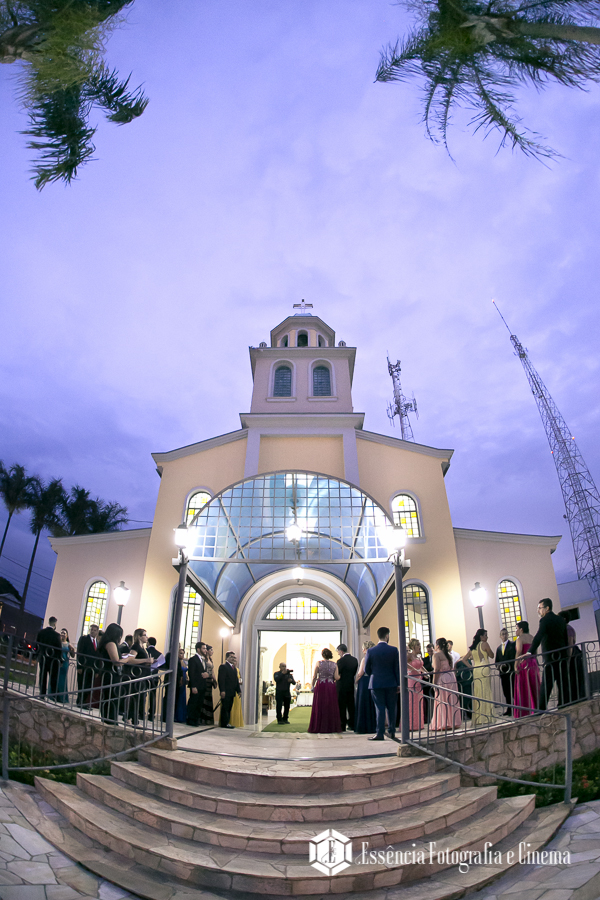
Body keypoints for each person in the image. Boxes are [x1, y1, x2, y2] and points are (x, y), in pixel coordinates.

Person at [527, 598, 569, 709]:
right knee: (563, 683)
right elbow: (565, 639)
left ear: (547, 608)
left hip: (550, 657)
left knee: (546, 685)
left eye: (540, 608)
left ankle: (541, 709)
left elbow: (538, 636)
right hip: (562, 656)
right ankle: (563, 705)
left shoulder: (544, 620)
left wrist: (530, 651)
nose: (538, 611)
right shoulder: (560, 620)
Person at [364, 626, 400, 741]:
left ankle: (379, 733)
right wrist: (398, 683)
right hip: (391, 683)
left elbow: (366, 669)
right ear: (387, 636)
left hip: (376, 683)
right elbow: (396, 668)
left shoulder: (371, 651)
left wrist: (374, 675)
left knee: (379, 708)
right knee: (391, 708)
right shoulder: (393, 650)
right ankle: (392, 731)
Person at [97, 623, 137, 723]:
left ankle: (110, 720)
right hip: (111, 674)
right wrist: (128, 659)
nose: (120, 637)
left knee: (112, 698)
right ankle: (110, 721)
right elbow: (116, 662)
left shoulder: (108, 643)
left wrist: (122, 655)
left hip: (109, 673)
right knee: (111, 698)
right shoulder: (111, 643)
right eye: (119, 634)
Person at [461, 629, 495, 726]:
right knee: (486, 690)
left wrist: (472, 667)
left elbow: (464, 659)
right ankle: (487, 715)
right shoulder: (485, 644)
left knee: (478, 692)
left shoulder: (473, 647)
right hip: (484, 668)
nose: (486, 637)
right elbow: (492, 655)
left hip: (476, 669)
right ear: (481, 636)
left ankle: (479, 717)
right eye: (485, 635)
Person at [308, 648, 342, 734]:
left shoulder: (319, 663)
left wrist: (312, 686)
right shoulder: (334, 664)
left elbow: (314, 676)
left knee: (320, 705)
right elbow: (337, 677)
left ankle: (318, 726)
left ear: (322, 655)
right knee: (330, 704)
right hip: (330, 685)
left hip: (321, 685)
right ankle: (331, 727)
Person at [431, 637, 462, 730]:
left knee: (442, 699)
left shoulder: (436, 655)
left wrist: (434, 683)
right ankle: (453, 721)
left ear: (437, 645)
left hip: (443, 678)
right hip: (451, 677)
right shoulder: (449, 655)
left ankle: (444, 722)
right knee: (451, 699)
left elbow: (436, 669)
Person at [124, 628, 151, 725]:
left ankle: (134, 718)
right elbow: (130, 660)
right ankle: (129, 717)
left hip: (142, 675)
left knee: (139, 698)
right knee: (135, 697)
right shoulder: (136, 646)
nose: (146, 637)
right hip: (136, 675)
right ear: (139, 636)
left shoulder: (143, 647)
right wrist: (146, 660)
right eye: (144, 635)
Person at [513, 621, 539, 716]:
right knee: (534, 685)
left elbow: (519, 651)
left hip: (524, 664)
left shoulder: (520, 638)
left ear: (521, 629)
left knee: (524, 686)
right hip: (533, 663)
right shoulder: (532, 637)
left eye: (516, 628)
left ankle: (525, 710)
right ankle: (536, 707)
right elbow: (535, 651)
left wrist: (515, 664)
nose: (516, 631)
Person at [35, 616, 63, 698]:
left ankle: (42, 693)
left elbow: (37, 645)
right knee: (53, 677)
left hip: (43, 657)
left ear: (48, 622)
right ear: (55, 623)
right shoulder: (57, 635)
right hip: (53, 659)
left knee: (42, 676)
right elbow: (59, 648)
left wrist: (37, 655)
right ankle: (53, 695)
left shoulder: (41, 632)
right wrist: (60, 660)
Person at [354, 640, 377, 734]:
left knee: (363, 703)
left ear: (366, 649)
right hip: (372, 680)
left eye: (363, 649)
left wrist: (355, 681)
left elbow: (360, 673)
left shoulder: (365, 658)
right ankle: (372, 725)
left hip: (364, 681)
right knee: (371, 703)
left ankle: (362, 726)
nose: (362, 650)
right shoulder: (375, 658)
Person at [336, 644, 358, 731]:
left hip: (341, 686)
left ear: (341, 651)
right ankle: (352, 724)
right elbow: (354, 672)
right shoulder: (354, 660)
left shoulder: (340, 661)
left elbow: (338, 673)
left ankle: (342, 725)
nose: (338, 654)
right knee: (351, 705)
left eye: (338, 652)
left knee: (342, 706)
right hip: (350, 685)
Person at [76, 624, 99, 707]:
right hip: (84, 667)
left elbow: (97, 657)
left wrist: (97, 671)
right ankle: (80, 702)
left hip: (92, 668)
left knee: (89, 685)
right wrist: (79, 666)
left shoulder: (97, 642)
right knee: (82, 684)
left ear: (97, 632)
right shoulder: (84, 639)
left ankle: (85, 702)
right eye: (91, 629)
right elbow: (79, 652)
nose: (92, 631)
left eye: (94, 630)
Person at [495, 628, 516, 715]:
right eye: (502, 634)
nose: (504, 635)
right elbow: (496, 661)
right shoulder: (499, 648)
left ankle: (516, 708)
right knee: (506, 691)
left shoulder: (512, 645)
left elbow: (514, 657)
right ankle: (509, 709)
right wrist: (499, 666)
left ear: (508, 635)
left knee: (513, 690)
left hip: (511, 671)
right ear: (500, 636)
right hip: (503, 673)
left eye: (505, 634)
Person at [187, 642, 208, 726]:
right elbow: (191, 673)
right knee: (193, 703)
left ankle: (196, 719)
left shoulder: (203, 660)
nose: (205, 650)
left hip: (202, 685)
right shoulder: (193, 659)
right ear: (198, 649)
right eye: (204, 648)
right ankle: (190, 719)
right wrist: (193, 686)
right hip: (196, 685)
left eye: (206, 648)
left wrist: (207, 675)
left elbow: (203, 672)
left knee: (199, 703)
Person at [218, 650, 241, 728]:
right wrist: (222, 690)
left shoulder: (234, 668)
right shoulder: (223, 667)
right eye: (231, 657)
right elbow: (221, 680)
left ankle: (227, 722)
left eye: (234, 657)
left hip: (231, 691)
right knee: (225, 707)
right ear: (227, 657)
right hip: (226, 691)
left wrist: (239, 691)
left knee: (229, 708)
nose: (233, 658)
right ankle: (224, 723)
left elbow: (236, 681)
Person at [407, 638, 425, 731]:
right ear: (413, 646)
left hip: (418, 680)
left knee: (418, 701)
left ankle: (418, 724)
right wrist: (413, 669)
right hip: (412, 680)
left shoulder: (418, 656)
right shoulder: (409, 655)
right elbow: (404, 663)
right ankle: (410, 725)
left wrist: (426, 673)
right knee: (412, 702)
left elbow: (421, 666)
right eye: (418, 645)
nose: (419, 647)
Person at [56, 628, 75, 703]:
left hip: (65, 663)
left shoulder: (68, 644)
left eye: (64, 633)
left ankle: (62, 697)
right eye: (62, 633)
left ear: (67, 635)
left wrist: (72, 650)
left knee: (63, 679)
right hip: (58, 662)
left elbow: (72, 655)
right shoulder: (58, 643)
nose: (63, 635)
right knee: (56, 677)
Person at [200, 645, 217, 725]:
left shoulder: (210, 659)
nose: (212, 651)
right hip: (206, 679)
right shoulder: (204, 659)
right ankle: (202, 718)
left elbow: (212, 671)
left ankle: (207, 719)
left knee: (209, 698)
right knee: (204, 698)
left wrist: (214, 679)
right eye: (211, 650)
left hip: (210, 680)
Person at [422, 642, 435, 724]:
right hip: (427, 681)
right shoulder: (425, 660)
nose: (430, 653)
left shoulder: (437, 657)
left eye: (431, 651)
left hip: (435, 680)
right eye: (428, 651)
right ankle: (428, 717)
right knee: (427, 699)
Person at [230, 658, 245, 727]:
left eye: (236, 661)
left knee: (237, 706)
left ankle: (236, 722)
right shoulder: (228, 668)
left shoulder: (237, 670)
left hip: (236, 689)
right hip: (230, 689)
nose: (234, 663)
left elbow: (239, 679)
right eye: (234, 661)